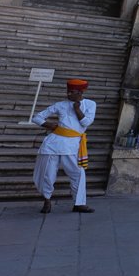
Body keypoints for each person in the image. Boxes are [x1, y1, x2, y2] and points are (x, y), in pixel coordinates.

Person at [32, 77, 96, 214]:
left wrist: (77, 109)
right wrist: (47, 125)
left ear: (80, 93)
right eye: (68, 91)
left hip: (73, 146)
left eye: (72, 92)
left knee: (78, 174)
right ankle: (47, 200)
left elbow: (86, 123)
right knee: (48, 174)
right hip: (53, 144)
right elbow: (36, 117)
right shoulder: (60, 105)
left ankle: (79, 203)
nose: (68, 94)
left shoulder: (90, 104)